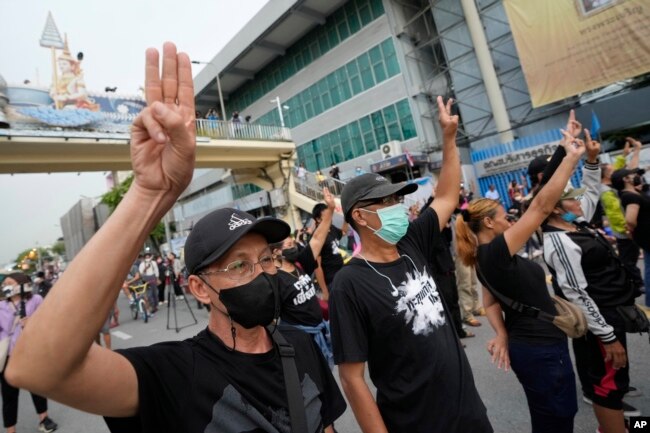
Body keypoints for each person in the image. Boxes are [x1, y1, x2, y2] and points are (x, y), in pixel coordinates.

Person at [5, 43, 346, 433]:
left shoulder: (301, 348)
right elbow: (36, 366)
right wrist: (151, 193)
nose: (262, 274)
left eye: (266, 259)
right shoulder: (174, 375)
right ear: (199, 288)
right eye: (238, 265)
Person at [330, 96, 492, 433]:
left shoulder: (411, 243)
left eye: (397, 199)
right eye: (387, 201)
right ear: (360, 215)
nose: (398, 206)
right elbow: (352, 378)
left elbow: (446, 196)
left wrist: (449, 139)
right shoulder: (349, 284)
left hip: (470, 415)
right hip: (416, 424)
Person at [455, 125, 587, 433]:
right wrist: (572, 158)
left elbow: (489, 303)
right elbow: (540, 207)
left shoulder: (486, 256)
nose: (509, 219)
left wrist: (501, 334)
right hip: (539, 350)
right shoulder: (495, 253)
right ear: (488, 223)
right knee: (556, 419)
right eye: (503, 216)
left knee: (552, 416)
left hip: (533, 346)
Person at [542, 131, 640, 433]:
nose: (580, 201)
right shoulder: (559, 241)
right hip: (600, 324)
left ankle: (624, 426)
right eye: (572, 198)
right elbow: (577, 295)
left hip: (610, 315)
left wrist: (593, 159)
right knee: (607, 386)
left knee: (615, 381)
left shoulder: (576, 222)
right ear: (558, 208)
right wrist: (607, 336)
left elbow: (592, 191)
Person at [272, 186, 336, 367]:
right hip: (302, 343)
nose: (294, 247)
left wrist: (330, 210)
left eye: (293, 242)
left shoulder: (300, 263)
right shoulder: (275, 279)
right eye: (288, 245)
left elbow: (317, 239)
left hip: (320, 332)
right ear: (275, 252)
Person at [0, 273, 58, 433]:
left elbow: (48, 321)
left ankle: (44, 419)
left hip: (30, 352)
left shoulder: (36, 300)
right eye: (4, 284)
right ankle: (10, 429)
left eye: (9, 283)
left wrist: (32, 322)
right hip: (7, 356)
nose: (6, 287)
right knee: (9, 395)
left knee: (36, 388)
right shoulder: (1, 306)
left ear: (21, 284)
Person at [612, 167, 650, 311]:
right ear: (625, 179)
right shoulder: (630, 196)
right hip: (646, 234)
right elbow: (630, 220)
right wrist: (631, 229)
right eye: (631, 174)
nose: (634, 175)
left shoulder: (633, 192)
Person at [311, 203, 346, 302]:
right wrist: (325, 291)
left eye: (330, 214)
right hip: (331, 281)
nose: (330, 217)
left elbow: (343, 232)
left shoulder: (332, 228)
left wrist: (346, 219)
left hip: (341, 274)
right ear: (318, 219)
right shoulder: (317, 237)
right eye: (327, 215)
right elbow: (317, 267)